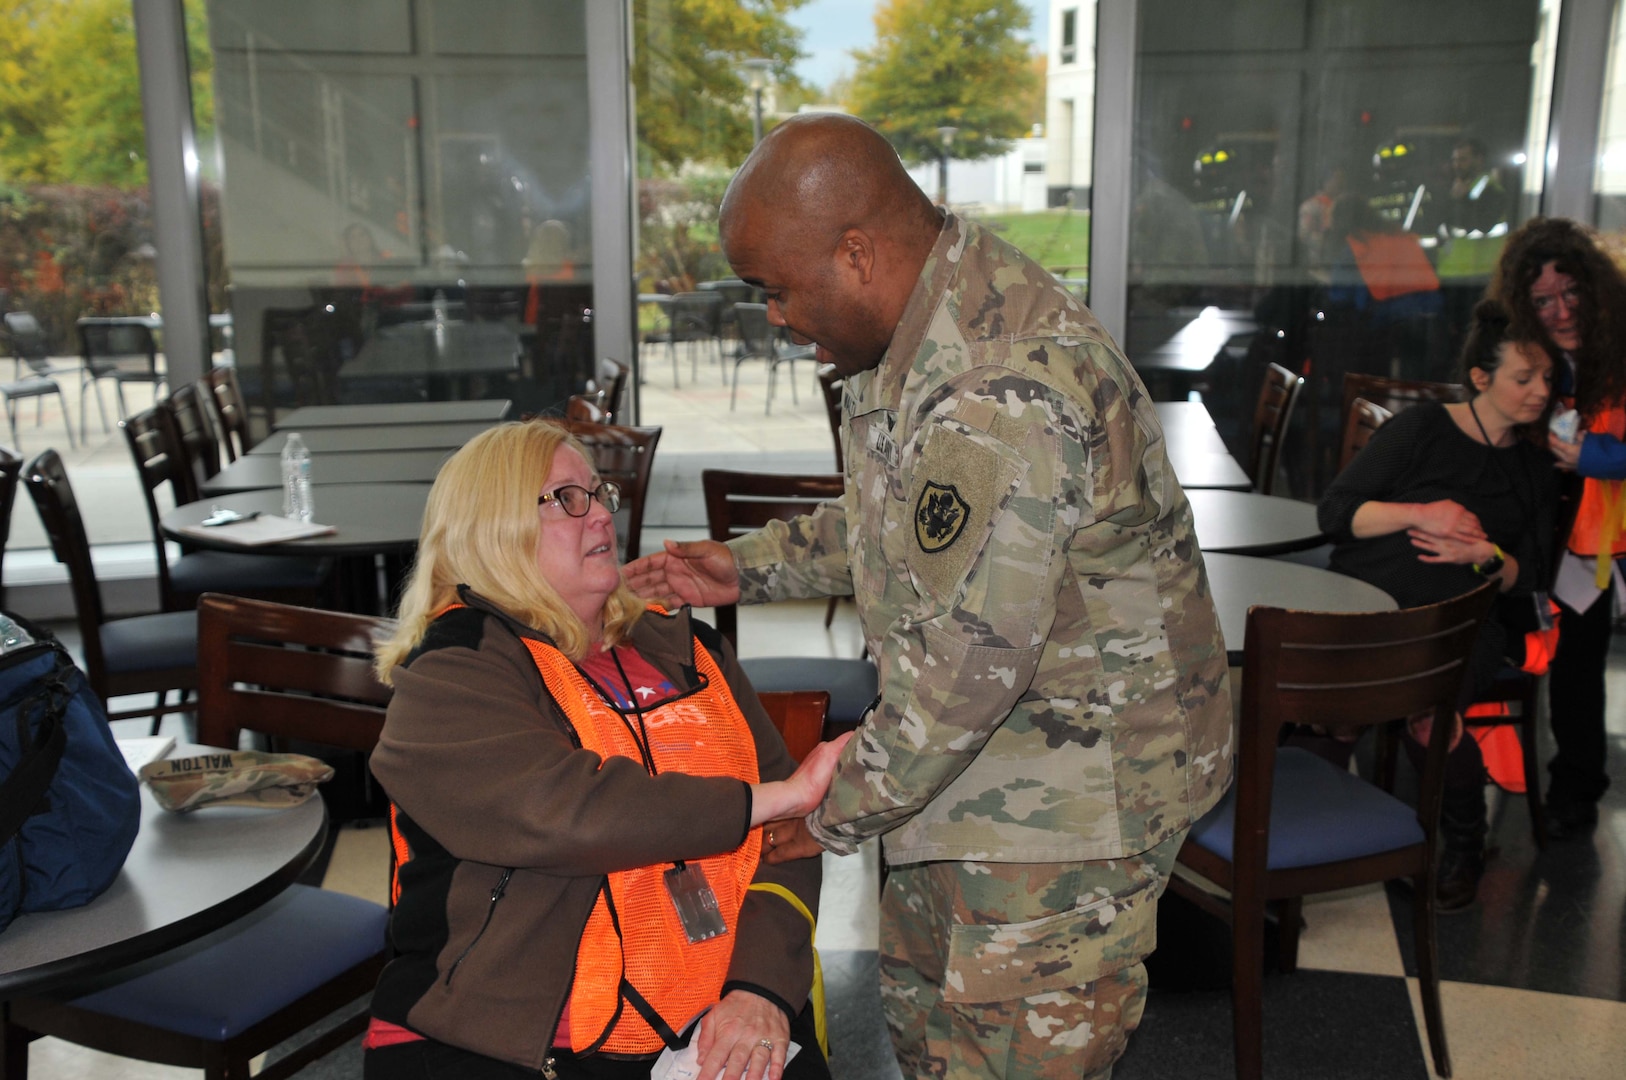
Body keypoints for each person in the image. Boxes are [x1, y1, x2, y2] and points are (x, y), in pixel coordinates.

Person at [623, 113, 1234, 1079]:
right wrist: (746, 566)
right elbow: (904, 529)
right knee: (935, 1042)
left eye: (776, 291)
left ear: (857, 252)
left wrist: (818, 813)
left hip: (1064, 814)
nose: (775, 319)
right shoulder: (910, 330)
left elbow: (967, 673)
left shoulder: (1003, 393)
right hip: (959, 781)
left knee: (1007, 1057)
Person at [365, 420, 849, 1080]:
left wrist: (759, 990)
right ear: (493, 527)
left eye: (598, 493)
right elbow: (565, 811)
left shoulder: (689, 650)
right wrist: (769, 799)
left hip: (715, 1000)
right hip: (513, 1034)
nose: (598, 514)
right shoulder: (453, 672)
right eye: (566, 498)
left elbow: (791, 841)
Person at [1317, 300, 1557, 909]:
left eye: (1546, 378)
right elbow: (1337, 513)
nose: (1538, 392)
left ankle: (1465, 846)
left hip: (1465, 623)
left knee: (1432, 715)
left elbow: (1530, 576)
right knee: (1333, 707)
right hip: (1372, 605)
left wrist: (1483, 552)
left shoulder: (1534, 467)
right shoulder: (1422, 429)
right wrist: (1423, 513)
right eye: (1522, 378)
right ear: (1481, 377)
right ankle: (1306, 845)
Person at [1491, 216, 1626, 839]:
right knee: (1571, 663)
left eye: (1572, 293)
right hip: (1562, 540)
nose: (1562, 310)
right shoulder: (1523, 354)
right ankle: (1570, 785)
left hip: (1612, 538)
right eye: (1544, 300)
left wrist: (1602, 458)